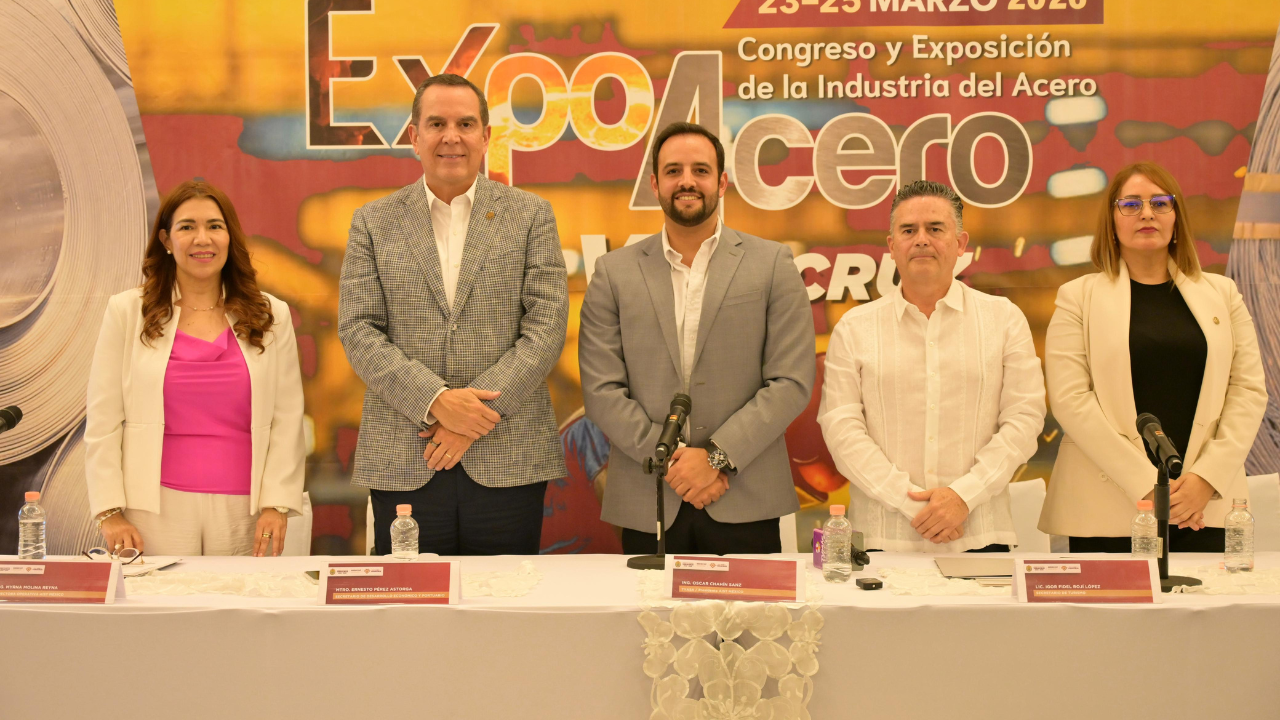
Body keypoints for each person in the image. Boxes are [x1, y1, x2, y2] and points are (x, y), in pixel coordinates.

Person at [339, 74, 568, 556]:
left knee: (504, 599)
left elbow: (546, 327)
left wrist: (473, 418)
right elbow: (359, 329)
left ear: (486, 136)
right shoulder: (373, 222)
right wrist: (436, 401)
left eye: (465, 124)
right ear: (414, 136)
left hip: (508, 456)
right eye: (437, 123)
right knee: (409, 601)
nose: (451, 137)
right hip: (405, 455)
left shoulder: (531, 215)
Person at [579, 122, 815, 555]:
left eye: (700, 170)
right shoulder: (614, 273)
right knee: (645, 604)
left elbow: (791, 381)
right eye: (673, 171)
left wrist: (716, 458)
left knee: (750, 605)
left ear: (721, 183)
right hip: (649, 498)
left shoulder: (772, 264)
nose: (687, 181)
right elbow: (601, 390)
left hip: (744, 496)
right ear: (655, 184)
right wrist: (674, 461)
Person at [1039, 162, 1267, 552]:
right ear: (1112, 221)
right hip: (1108, 507)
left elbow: (1248, 391)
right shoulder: (1077, 297)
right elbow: (1070, 399)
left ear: (1177, 219)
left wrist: (1205, 480)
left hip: (1202, 508)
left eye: (1160, 203)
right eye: (1131, 204)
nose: (1146, 213)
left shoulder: (1223, 294)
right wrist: (1147, 485)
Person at [818, 180, 1046, 552]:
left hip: (979, 535)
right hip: (882, 540)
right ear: (892, 246)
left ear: (960, 243)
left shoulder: (1004, 319)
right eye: (908, 230)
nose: (921, 240)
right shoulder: (855, 328)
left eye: (935, 229)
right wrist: (915, 506)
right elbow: (841, 429)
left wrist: (963, 496)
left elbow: (1025, 418)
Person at [85, 180, 306, 557]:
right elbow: (103, 419)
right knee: (158, 598)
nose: (202, 239)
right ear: (166, 240)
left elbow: (287, 418)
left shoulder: (271, 315)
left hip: (247, 511)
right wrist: (109, 512)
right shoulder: (127, 312)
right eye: (187, 227)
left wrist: (276, 504)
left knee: (241, 598)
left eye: (214, 226)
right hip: (151, 511)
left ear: (230, 238)